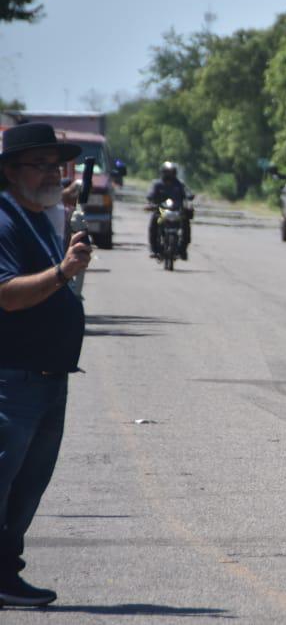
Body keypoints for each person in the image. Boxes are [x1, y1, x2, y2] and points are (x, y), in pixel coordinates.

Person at [0, 122, 91, 607]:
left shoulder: (37, 216)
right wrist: (63, 272)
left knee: (25, 488)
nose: (51, 174)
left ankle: (5, 574)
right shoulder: (3, 221)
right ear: (10, 172)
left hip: (47, 378)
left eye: (55, 166)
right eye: (39, 164)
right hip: (12, 379)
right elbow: (7, 296)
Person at [146, 161, 192, 260]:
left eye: (171, 172)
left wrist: (189, 197)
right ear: (162, 172)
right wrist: (151, 202)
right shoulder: (157, 184)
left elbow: (188, 193)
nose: (169, 174)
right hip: (161, 211)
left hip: (176, 211)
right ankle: (154, 249)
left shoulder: (179, 184)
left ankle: (182, 250)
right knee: (154, 223)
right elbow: (150, 195)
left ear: (174, 173)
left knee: (186, 224)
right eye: (167, 172)